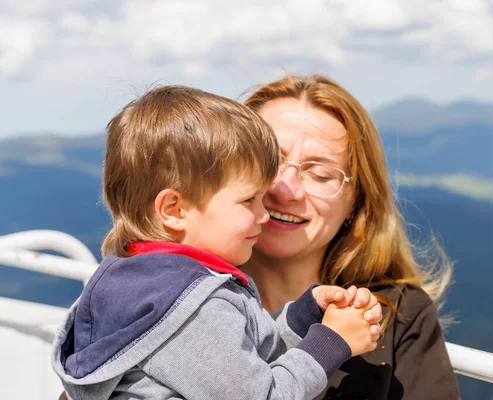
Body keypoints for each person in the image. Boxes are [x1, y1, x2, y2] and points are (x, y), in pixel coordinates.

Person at [51, 85, 384, 400]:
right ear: (174, 209)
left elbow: (246, 365)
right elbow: (266, 394)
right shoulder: (190, 309)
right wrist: (332, 341)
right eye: (249, 200)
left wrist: (303, 317)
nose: (264, 214)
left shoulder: (136, 285)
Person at [242, 74, 461, 399]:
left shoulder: (398, 319)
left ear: (355, 201)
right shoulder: (179, 299)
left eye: (320, 174)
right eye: (269, 160)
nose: (285, 189)